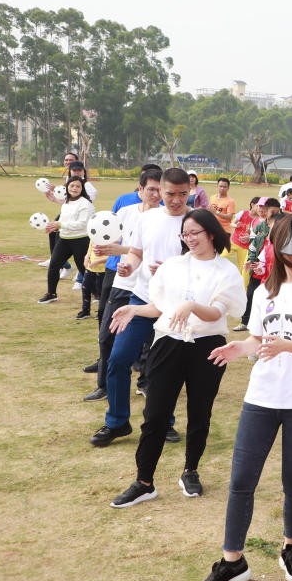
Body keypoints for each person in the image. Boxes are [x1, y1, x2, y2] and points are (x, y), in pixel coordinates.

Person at [191, 215, 292, 581]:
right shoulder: (264, 291)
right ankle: (232, 562)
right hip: (261, 398)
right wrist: (240, 347)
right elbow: (259, 340)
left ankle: (291, 546)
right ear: (279, 246)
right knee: (241, 480)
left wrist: (287, 346)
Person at [108, 209, 246, 507]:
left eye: (195, 233)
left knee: (200, 413)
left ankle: (190, 470)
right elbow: (160, 307)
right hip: (168, 343)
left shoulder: (226, 271)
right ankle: (144, 482)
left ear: (211, 233)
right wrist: (134, 309)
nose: (189, 239)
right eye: (185, 234)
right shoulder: (173, 266)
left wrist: (191, 305)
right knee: (155, 414)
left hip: (207, 347)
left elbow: (216, 313)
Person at [91, 168, 192, 447]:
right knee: (118, 359)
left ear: (190, 191)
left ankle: (162, 422)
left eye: (183, 194)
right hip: (141, 299)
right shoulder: (148, 218)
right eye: (170, 193)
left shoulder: (195, 220)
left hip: (174, 306)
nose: (176, 200)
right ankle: (117, 422)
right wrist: (128, 266)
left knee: (164, 369)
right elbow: (136, 253)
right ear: (160, 190)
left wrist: (172, 270)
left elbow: (206, 261)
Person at [84, 167, 162, 402]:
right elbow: (111, 236)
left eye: (160, 190)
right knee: (107, 334)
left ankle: (145, 382)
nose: (156, 194)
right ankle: (104, 385)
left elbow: (145, 249)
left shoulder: (164, 218)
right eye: (151, 189)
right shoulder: (126, 212)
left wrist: (121, 249)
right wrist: (101, 249)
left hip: (148, 288)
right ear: (140, 189)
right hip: (123, 281)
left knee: (149, 339)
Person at [37, 176, 94, 304]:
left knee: (84, 268)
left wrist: (60, 225)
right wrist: (54, 227)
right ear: (67, 187)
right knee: (54, 265)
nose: (74, 188)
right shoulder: (66, 202)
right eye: (72, 185)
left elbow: (82, 224)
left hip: (80, 240)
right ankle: (51, 294)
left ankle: (96, 293)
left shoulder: (85, 204)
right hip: (64, 239)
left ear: (82, 188)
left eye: (78, 186)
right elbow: (63, 219)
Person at [238, 198, 280, 332]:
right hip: (258, 267)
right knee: (251, 294)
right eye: (270, 211)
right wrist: (251, 259)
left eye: (275, 212)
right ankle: (245, 321)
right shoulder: (259, 227)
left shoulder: (282, 226)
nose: (265, 211)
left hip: (274, 269)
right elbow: (253, 245)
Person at [208, 178, 236, 245]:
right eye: (220, 186)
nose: (222, 188)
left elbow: (229, 217)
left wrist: (216, 212)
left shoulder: (230, 201)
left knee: (221, 250)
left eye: (224, 187)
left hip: (224, 231)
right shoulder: (212, 197)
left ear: (228, 188)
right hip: (212, 228)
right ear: (217, 186)